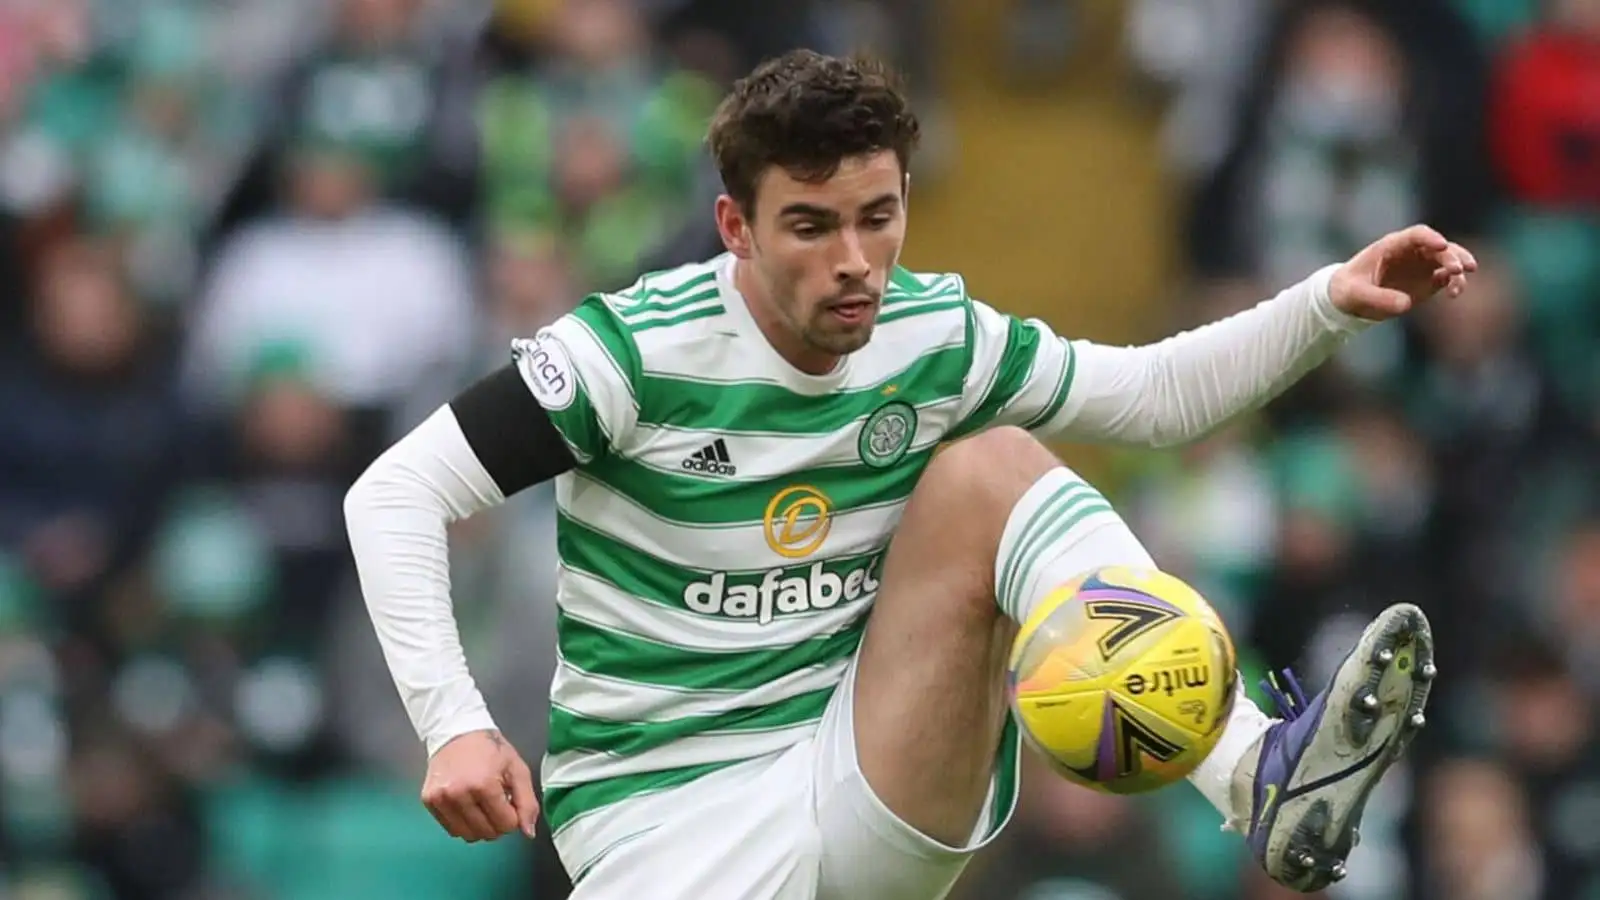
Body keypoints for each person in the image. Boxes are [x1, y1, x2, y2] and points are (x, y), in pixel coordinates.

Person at [344, 50, 1470, 899]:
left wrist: (1326, 302)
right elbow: (396, 492)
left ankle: (1253, 773)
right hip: (661, 823)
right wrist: (453, 723)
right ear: (734, 226)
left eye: (877, 218)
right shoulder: (630, 355)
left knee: (990, 465)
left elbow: (1153, 396)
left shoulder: (932, 336)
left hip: (862, 765)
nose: (853, 261)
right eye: (810, 225)